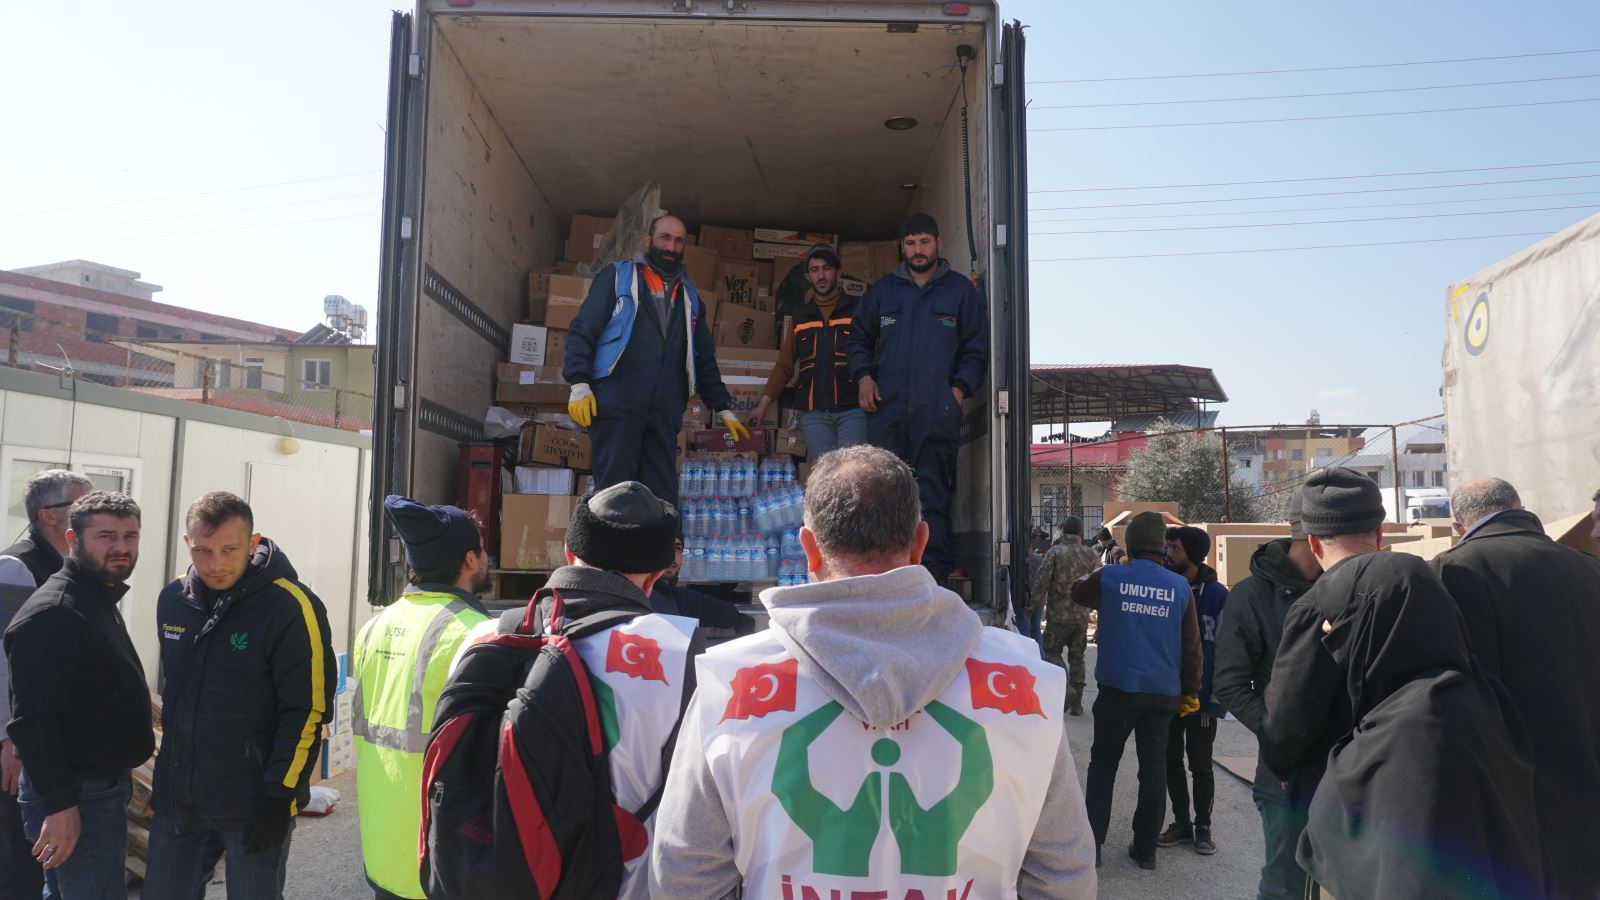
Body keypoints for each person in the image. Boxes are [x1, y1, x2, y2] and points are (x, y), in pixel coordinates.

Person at [650, 445, 1096, 898]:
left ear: (808, 549)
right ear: (920, 543)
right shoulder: (1023, 684)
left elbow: (686, 874)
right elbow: (1063, 875)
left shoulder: (731, 685)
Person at [456, 481, 698, 897]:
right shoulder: (677, 650)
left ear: (569, 553)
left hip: (488, 878)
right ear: (654, 578)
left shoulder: (482, 637)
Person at [1276, 550, 1542, 899]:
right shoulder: (1469, 694)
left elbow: (1407, 876)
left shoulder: (1417, 728)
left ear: (1379, 624)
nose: (1328, 634)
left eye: (1338, 623)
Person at [143, 492, 336, 900]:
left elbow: (308, 710)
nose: (215, 564)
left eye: (229, 550)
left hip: (255, 802)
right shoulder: (173, 601)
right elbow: (178, 697)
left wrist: (279, 796)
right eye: (202, 550)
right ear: (187, 543)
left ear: (253, 543)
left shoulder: (291, 606)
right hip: (180, 801)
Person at [1432, 478, 1600, 897]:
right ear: (1519, 508)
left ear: (1458, 525)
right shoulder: (1587, 566)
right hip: (1587, 774)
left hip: (1516, 786)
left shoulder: (1454, 570)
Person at [3, 491, 152, 900]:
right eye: (106, 536)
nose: (121, 547)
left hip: (96, 788)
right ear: (72, 539)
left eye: (130, 536)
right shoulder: (55, 612)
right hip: (77, 794)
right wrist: (60, 807)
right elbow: (33, 721)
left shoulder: (94, 595)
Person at [353, 497, 492, 900]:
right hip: (438, 857)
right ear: (470, 559)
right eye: (482, 549)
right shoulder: (476, 633)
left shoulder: (373, 627)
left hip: (382, 850)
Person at [564, 214, 748, 508]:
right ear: (648, 240)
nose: (671, 247)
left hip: (663, 412)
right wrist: (579, 383)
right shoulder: (618, 277)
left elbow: (703, 356)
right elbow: (583, 329)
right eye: (665, 238)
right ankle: (609, 541)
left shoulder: (689, 297)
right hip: (618, 406)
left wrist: (722, 406)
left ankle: (656, 542)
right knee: (614, 495)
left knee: (661, 499)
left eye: (678, 241)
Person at [847, 213, 988, 582]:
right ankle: (885, 570)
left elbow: (976, 349)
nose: (918, 250)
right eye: (910, 243)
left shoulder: (960, 291)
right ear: (902, 247)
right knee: (884, 491)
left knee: (933, 492)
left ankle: (932, 573)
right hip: (888, 410)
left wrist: (958, 390)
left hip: (937, 410)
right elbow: (858, 339)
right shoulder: (883, 292)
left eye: (924, 242)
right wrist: (864, 377)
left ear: (938, 243)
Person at [1070, 511, 1202, 870]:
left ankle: (1093, 847)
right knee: (1153, 769)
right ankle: (1145, 851)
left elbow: (1077, 591)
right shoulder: (1179, 587)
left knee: (1103, 765)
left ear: (1129, 544)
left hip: (1118, 689)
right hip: (1162, 694)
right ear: (1162, 546)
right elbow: (1192, 646)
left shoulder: (1110, 576)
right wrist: (1190, 691)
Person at [1211, 490, 1320, 900]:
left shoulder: (1345, 586)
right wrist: (1278, 735)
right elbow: (1229, 683)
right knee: (1284, 886)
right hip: (1285, 774)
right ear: (1315, 537)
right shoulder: (1252, 597)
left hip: (1344, 769)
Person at [0, 470, 90, 900]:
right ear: (48, 516)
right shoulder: (16, 567)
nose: (93, 510)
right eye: (81, 504)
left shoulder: (72, 566)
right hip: (18, 745)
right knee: (19, 857)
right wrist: (8, 741)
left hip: (52, 738)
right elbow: (3, 661)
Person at [746, 245, 865, 457]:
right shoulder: (801, 315)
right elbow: (785, 365)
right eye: (814, 270)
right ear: (807, 276)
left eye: (827, 268)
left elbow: (875, 352)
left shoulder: (859, 309)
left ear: (838, 272)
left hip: (853, 410)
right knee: (825, 473)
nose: (821, 275)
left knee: (853, 471)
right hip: (814, 414)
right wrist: (762, 406)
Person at [1033, 516, 1098, 716]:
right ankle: (1077, 704)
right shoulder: (1091, 553)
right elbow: (1097, 581)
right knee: (1077, 656)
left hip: (1058, 616)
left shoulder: (1055, 552)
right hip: (1081, 616)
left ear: (1063, 531)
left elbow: (1042, 581)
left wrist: (1032, 604)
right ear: (1080, 533)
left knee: (1052, 652)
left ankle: (1066, 687)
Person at [651, 536, 756, 637]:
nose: (672, 556)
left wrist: (736, 619)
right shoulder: (648, 597)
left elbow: (697, 604)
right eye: (664, 547)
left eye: (677, 548)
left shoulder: (671, 595)